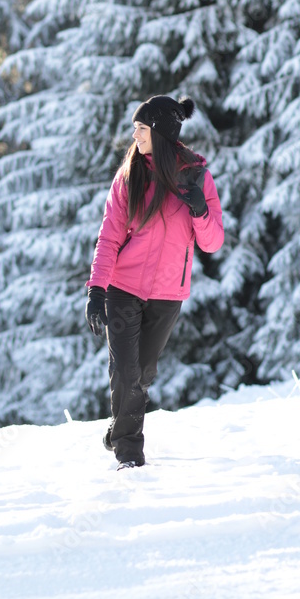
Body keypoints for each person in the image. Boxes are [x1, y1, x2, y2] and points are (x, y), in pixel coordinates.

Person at [85, 94, 225, 470]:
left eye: (142, 129)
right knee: (126, 370)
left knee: (143, 373)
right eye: (135, 128)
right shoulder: (130, 175)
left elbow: (213, 243)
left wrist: (200, 210)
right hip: (122, 289)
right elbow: (109, 236)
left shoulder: (196, 176)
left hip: (168, 294)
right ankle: (130, 454)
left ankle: (119, 428)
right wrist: (97, 288)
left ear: (160, 133)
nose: (135, 136)